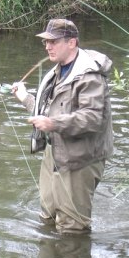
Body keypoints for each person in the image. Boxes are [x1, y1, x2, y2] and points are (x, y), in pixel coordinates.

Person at [12, 18, 113, 234]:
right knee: (47, 217)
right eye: (46, 42)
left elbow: (93, 117)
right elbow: (48, 112)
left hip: (80, 160)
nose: (48, 46)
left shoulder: (90, 77)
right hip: (54, 154)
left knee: (72, 229)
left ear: (71, 43)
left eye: (53, 41)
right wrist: (25, 98)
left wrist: (52, 123)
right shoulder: (58, 72)